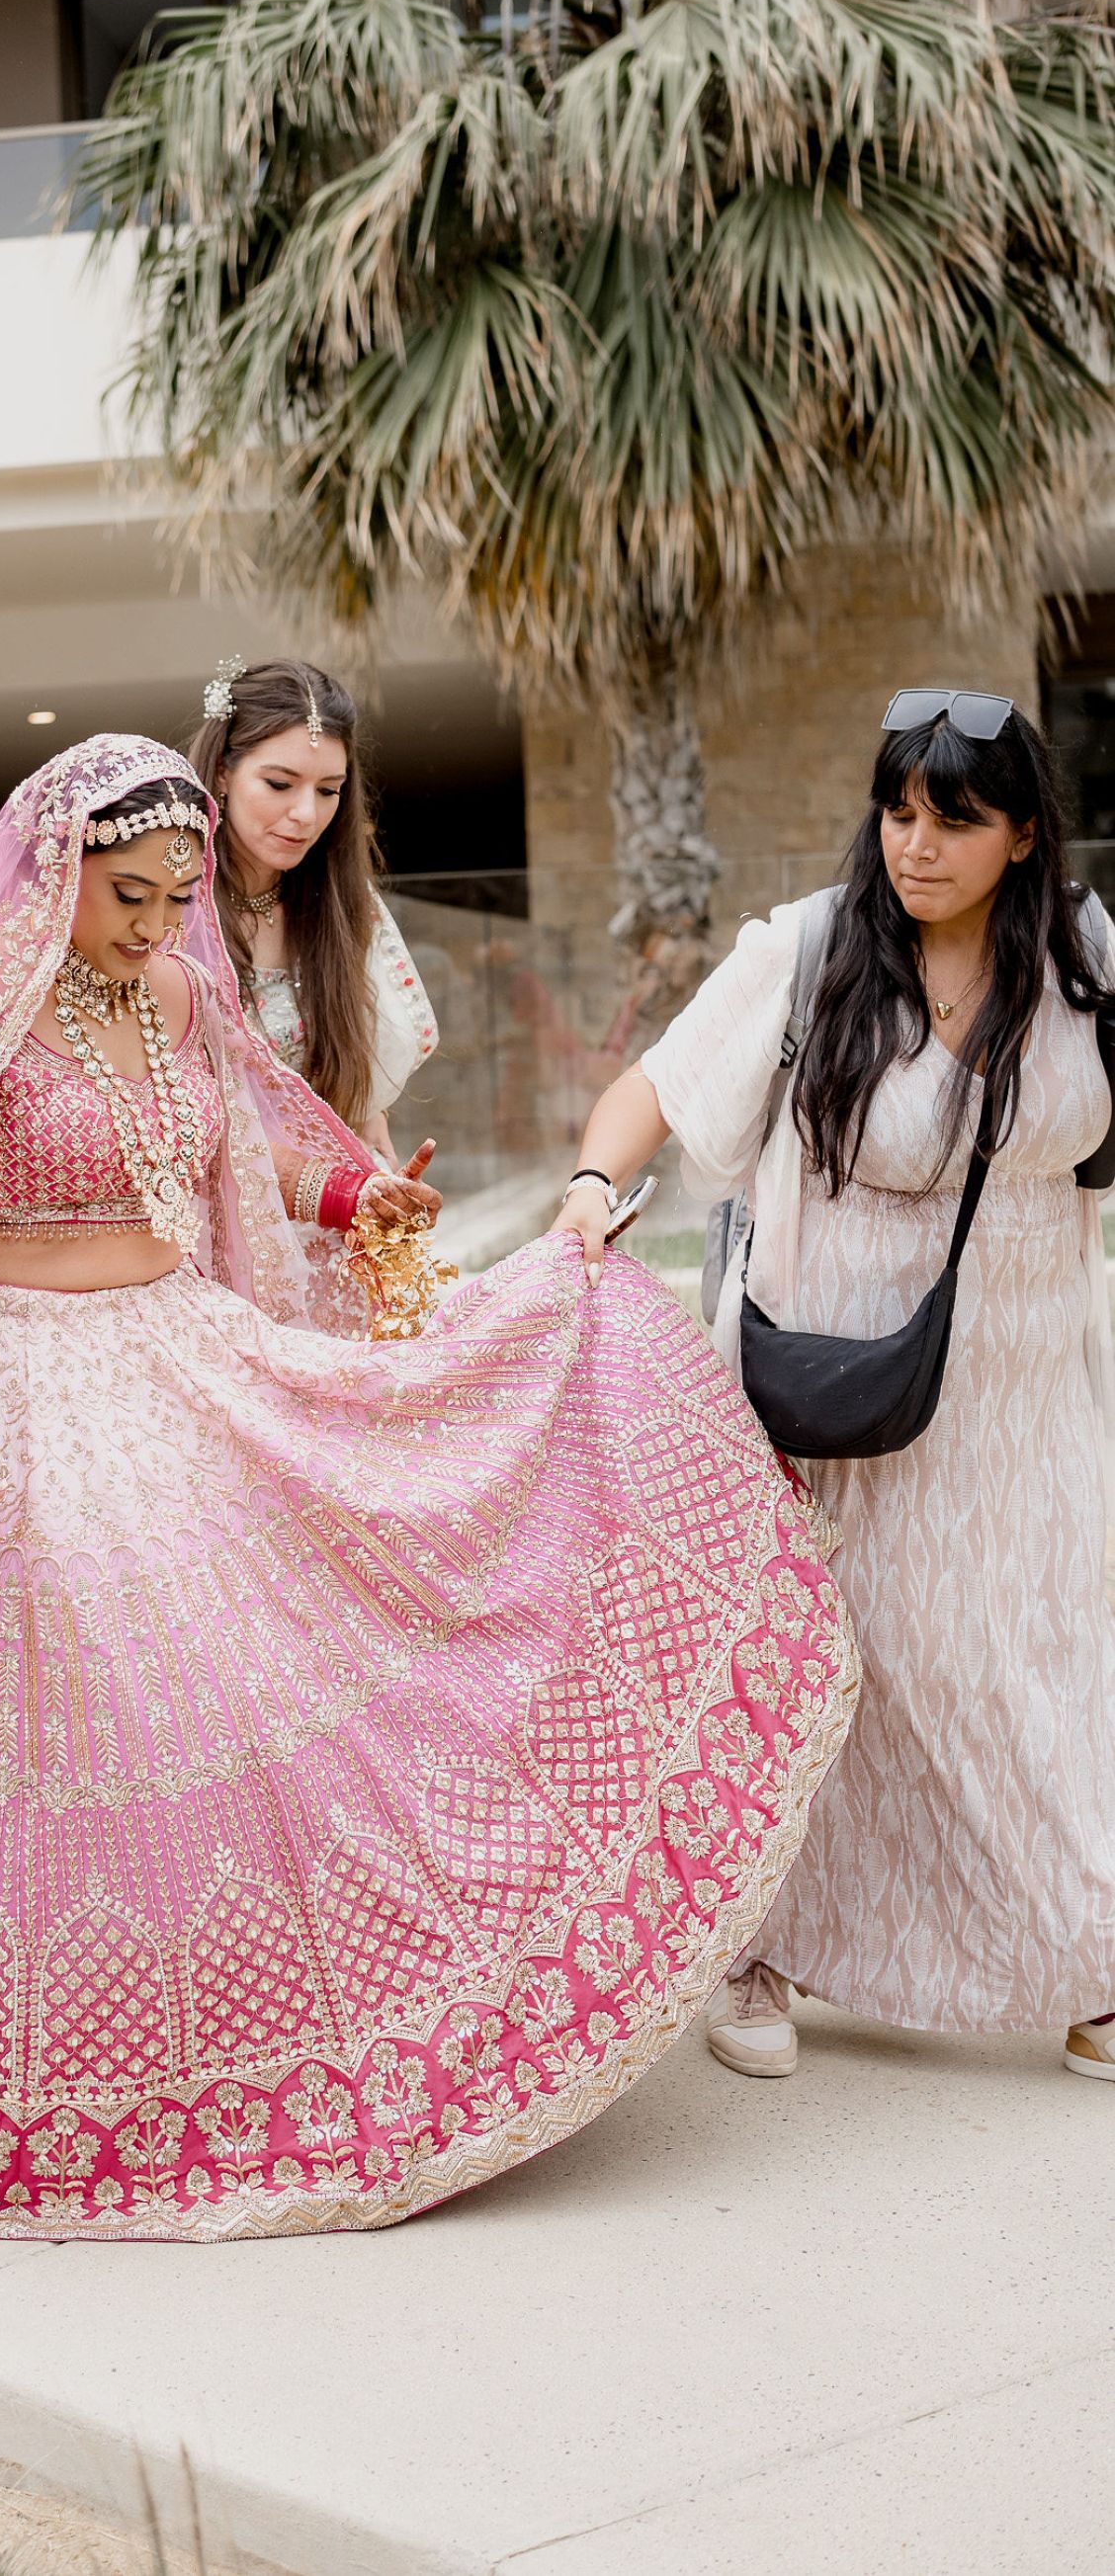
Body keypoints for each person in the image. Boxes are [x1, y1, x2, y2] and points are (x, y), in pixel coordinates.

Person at [0, 734, 856, 2237]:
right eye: (126, 893)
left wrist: (348, 1190)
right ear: (56, 870)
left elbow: (228, 1146)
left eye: (173, 894)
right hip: (14, 1397)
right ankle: (34, 2079)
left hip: (174, 1352)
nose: (152, 922)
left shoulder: (179, 995)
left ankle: (290, 2040)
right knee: (93, 1719)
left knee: (278, 1680)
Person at [553, 692, 1115, 2081]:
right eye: (899, 810)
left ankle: (1087, 1951)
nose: (916, 845)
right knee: (838, 1662)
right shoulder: (810, 948)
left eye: (955, 819)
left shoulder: (1085, 953)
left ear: (1024, 833)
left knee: (1035, 1662)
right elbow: (659, 1088)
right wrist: (581, 1192)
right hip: (842, 1364)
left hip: (1035, 1371)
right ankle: (764, 1943)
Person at [191, 658, 437, 1163]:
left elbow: (360, 1101)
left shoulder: (345, 907)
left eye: (328, 791)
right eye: (280, 784)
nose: (306, 814)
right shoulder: (169, 907)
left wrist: (370, 1131)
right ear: (222, 772)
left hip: (329, 1204)